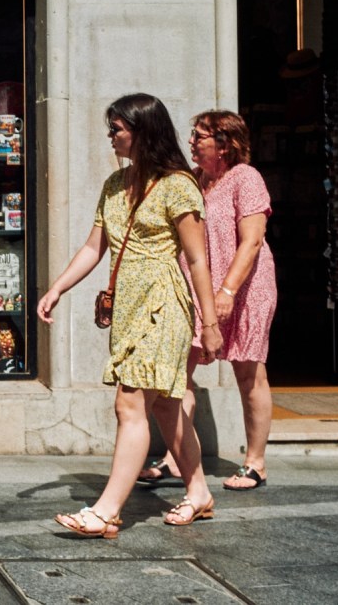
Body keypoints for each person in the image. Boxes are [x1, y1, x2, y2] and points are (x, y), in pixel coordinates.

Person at [37, 94, 224, 538]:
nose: (110, 137)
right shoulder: (114, 185)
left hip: (162, 304)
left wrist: (210, 323)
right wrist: (58, 288)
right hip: (128, 305)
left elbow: (197, 259)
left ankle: (106, 511)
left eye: (117, 129)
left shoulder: (179, 185)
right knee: (167, 407)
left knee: (130, 403)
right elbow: (93, 247)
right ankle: (199, 492)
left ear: (143, 132)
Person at [138, 109, 278, 492]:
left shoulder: (246, 177)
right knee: (178, 373)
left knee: (249, 373)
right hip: (198, 288)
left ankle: (255, 463)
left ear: (224, 144)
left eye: (199, 136)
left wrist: (227, 291)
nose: (191, 141)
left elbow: (252, 241)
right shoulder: (194, 180)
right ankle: (176, 458)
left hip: (244, 287)